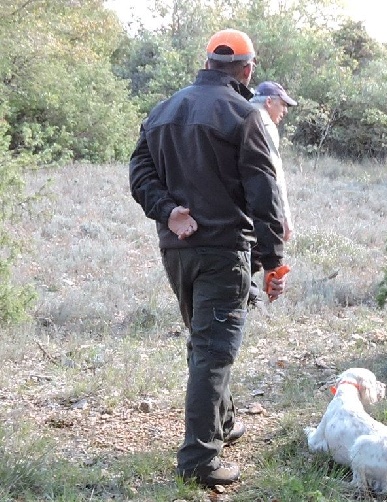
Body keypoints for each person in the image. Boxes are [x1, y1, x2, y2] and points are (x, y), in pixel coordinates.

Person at [129, 28, 287, 488]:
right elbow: (265, 195)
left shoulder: (163, 110)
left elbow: (138, 172)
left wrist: (167, 211)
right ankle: (199, 460)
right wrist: (274, 260)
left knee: (205, 341)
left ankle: (222, 423)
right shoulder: (245, 115)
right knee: (214, 351)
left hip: (177, 252)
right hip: (223, 252)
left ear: (207, 63)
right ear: (247, 70)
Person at [249, 81, 297, 244]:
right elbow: (273, 173)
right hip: (254, 210)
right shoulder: (264, 123)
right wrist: (284, 216)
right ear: (268, 102)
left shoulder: (237, 111)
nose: (284, 111)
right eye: (283, 105)